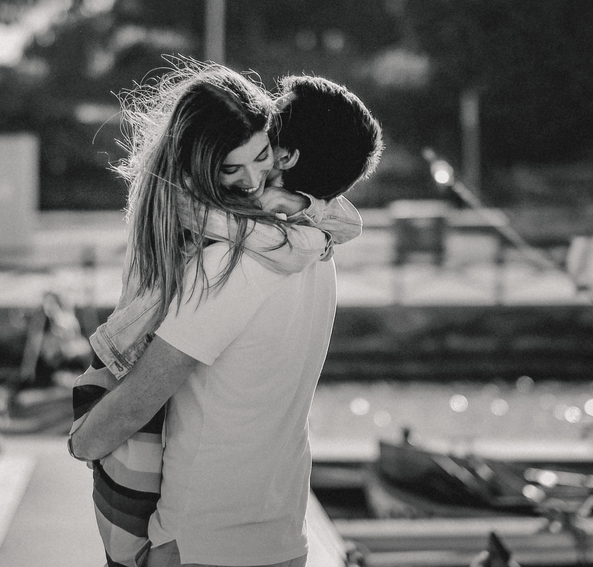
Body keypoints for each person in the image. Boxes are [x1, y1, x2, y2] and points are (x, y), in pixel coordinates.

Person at [72, 73, 383, 567]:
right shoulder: (319, 254)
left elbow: (139, 401)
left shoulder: (229, 264)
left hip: (204, 538)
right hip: (282, 535)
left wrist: (81, 441)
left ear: (286, 157)